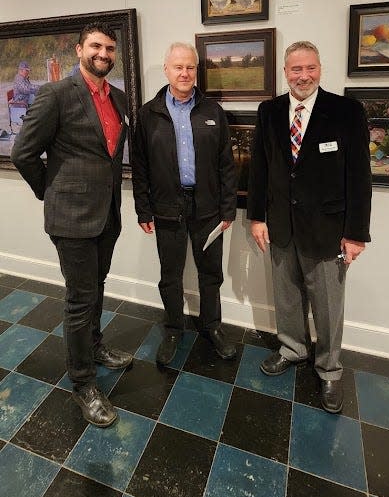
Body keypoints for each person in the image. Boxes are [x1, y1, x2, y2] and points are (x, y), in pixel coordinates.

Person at [11, 22, 132, 427]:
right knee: (79, 300)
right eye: (96, 46)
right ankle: (83, 384)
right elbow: (24, 153)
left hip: (107, 215)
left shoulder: (116, 97)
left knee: (96, 288)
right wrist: (53, 191)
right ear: (79, 49)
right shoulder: (56, 94)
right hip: (72, 219)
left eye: (110, 48)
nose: (104, 53)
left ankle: (95, 347)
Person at [247, 41, 372, 413]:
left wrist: (356, 233)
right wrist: (256, 217)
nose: (303, 76)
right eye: (296, 69)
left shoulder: (347, 111)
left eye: (310, 68)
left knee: (329, 306)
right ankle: (293, 348)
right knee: (286, 296)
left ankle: (330, 370)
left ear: (320, 69)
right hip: (281, 226)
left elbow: (359, 177)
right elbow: (259, 168)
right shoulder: (269, 111)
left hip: (329, 231)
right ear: (285, 72)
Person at [132, 42, 237, 365]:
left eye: (190, 67)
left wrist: (228, 209)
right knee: (170, 275)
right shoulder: (148, 114)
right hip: (167, 209)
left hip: (207, 209)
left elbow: (226, 165)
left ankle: (212, 326)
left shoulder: (212, 111)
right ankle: (174, 328)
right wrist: (143, 208)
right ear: (166, 70)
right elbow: (140, 166)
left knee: (210, 273)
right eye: (178, 67)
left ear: (196, 70)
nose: (185, 73)